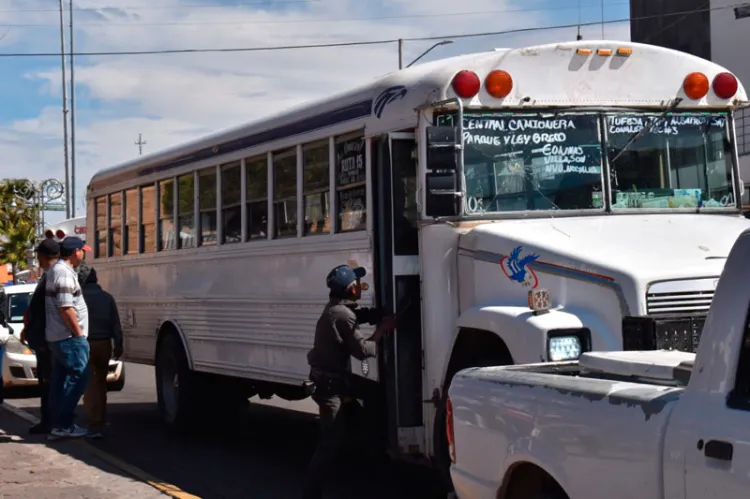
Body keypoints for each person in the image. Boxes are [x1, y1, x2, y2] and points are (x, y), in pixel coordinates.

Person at [302, 264, 397, 499]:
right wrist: (383, 329)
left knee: (373, 393)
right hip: (329, 386)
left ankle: (369, 445)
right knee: (329, 443)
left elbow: (356, 316)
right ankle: (310, 495)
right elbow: (363, 350)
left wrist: (374, 315)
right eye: (356, 282)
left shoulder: (337, 309)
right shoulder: (341, 315)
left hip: (336, 379)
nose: (360, 286)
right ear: (349, 289)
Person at [45, 236, 90, 440]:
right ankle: (63, 424)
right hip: (68, 337)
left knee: (60, 381)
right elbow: (66, 308)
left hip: (59, 336)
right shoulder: (63, 273)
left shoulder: (58, 270)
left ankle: (57, 424)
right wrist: (79, 334)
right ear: (75, 252)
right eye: (82, 250)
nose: (84, 254)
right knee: (79, 377)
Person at [19, 238, 60, 434]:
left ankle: (53, 421)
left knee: (50, 382)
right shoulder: (48, 276)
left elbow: (48, 309)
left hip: (47, 338)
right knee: (46, 381)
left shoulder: (52, 276)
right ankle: (49, 420)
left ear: (44, 256)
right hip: (43, 337)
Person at [79, 267, 123, 438]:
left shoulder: (79, 298)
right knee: (101, 383)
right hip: (104, 344)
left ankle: (93, 420)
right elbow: (116, 325)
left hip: (86, 343)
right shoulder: (107, 298)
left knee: (89, 383)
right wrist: (119, 344)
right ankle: (101, 417)